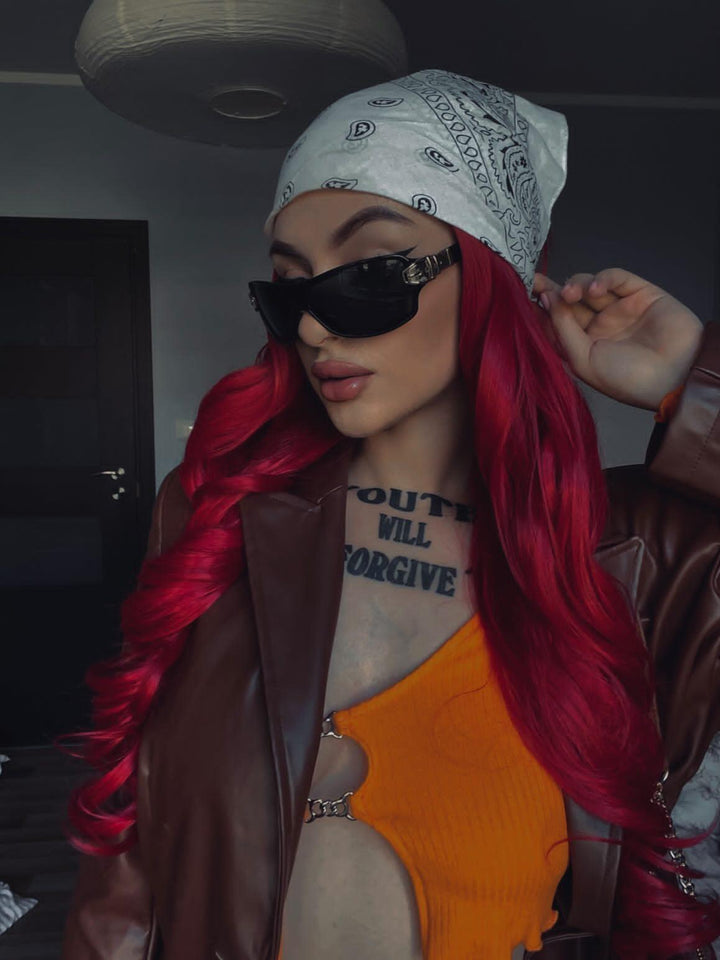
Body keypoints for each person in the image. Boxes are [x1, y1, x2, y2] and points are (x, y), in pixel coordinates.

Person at [59, 69, 720, 960]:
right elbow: (127, 864)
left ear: (493, 280)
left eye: (369, 274)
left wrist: (689, 383)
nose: (314, 330)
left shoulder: (641, 556)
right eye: (290, 289)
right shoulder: (220, 512)